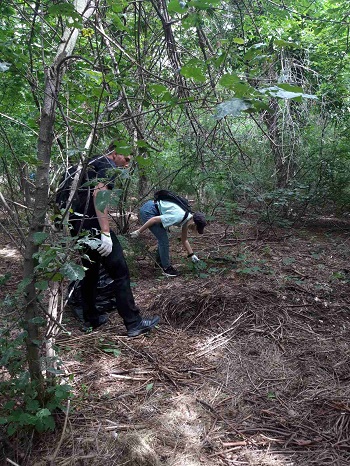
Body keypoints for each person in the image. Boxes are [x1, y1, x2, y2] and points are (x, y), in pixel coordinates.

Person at [68, 141, 159, 337]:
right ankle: (134, 323)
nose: (127, 164)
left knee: (89, 272)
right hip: (93, 227)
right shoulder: (106, 166)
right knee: (120, 272)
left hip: (77, 226)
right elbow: (99, 195)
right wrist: (106, 233)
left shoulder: (88, 164)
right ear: (115, 152)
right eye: (126, 158)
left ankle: (91, 319)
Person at [130, 196, 207, 277]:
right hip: (148, 211)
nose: (194, 230)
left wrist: (192, 255)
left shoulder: (187, 218)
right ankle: (167, 268)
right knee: (164, 240)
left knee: (163, 239)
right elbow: (154, 220)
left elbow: (184, 240)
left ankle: (159, 264)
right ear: (194, 224)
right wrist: (138, 232)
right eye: (196, 229)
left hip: (154, 209)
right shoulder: (179, 217)